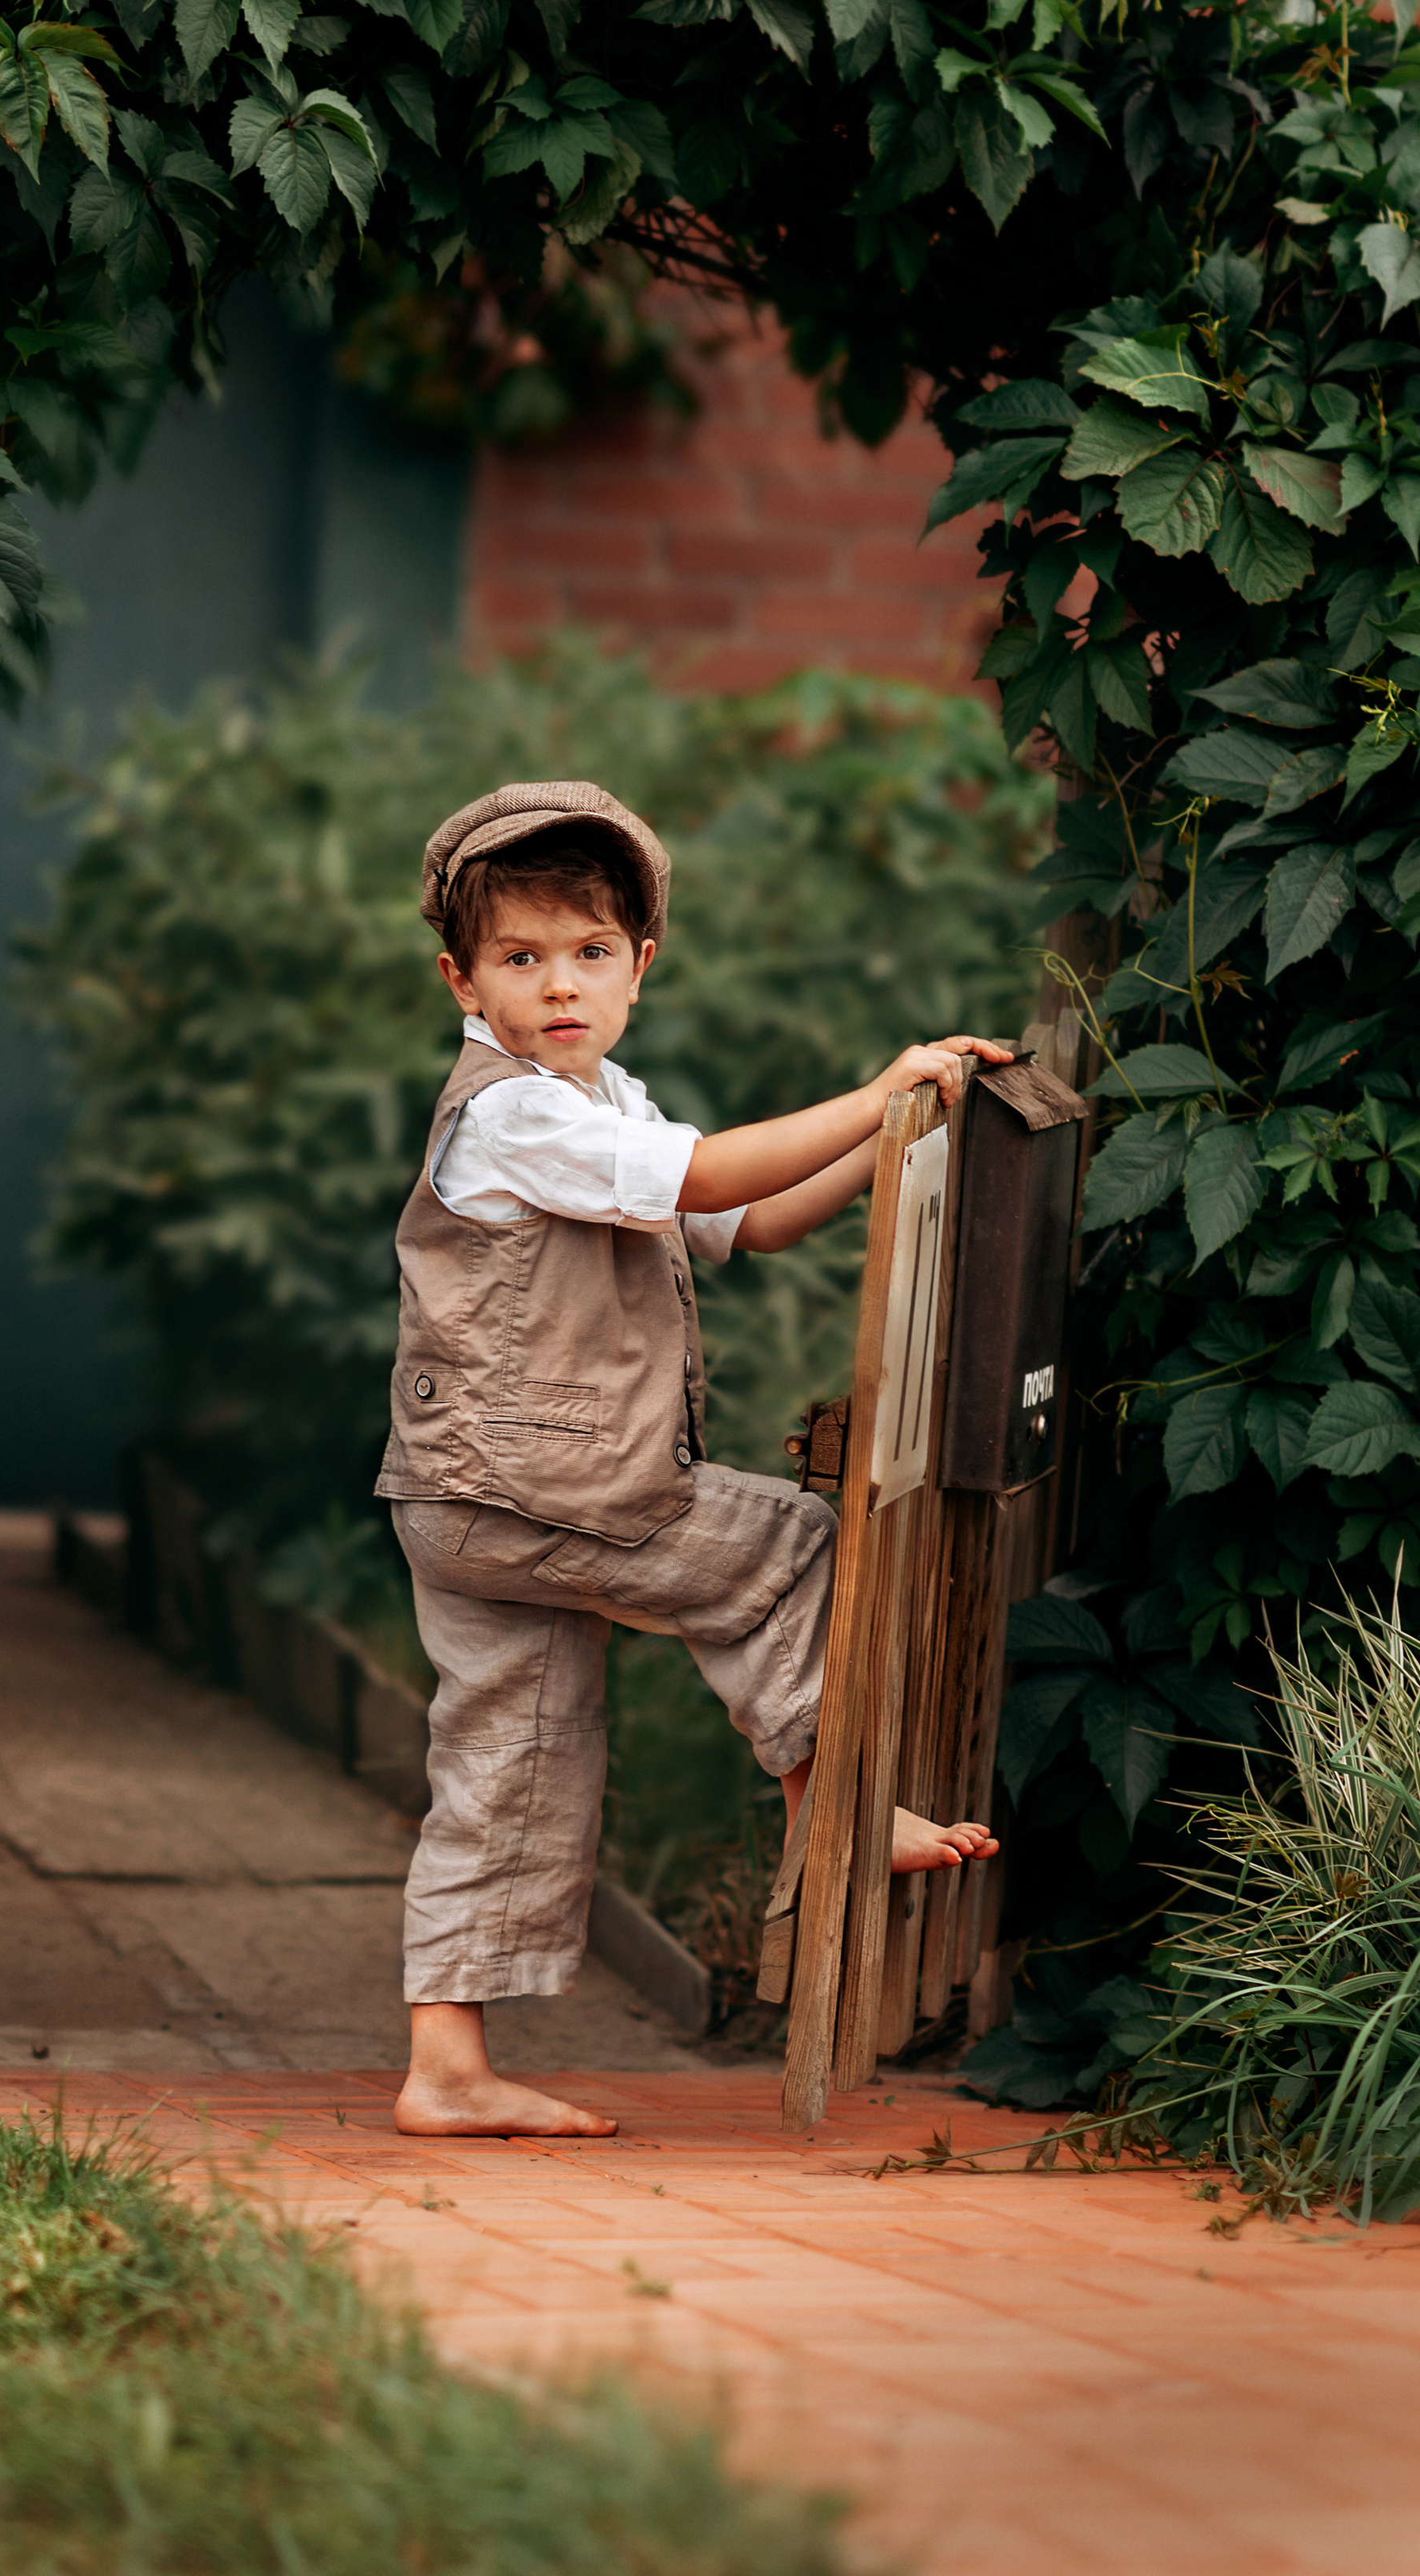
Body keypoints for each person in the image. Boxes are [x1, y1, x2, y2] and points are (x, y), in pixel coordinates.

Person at [377, 779, 1008, 2138]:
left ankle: (445, 2066)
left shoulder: (601, 1101)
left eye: (590, 954)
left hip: (468, 1496)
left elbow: (751, 1219)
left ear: (639, 965)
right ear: (462, 982)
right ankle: (827, 1806)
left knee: (507, 1757)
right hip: (530, 1484)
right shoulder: (515, 1115)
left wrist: (889, 1134)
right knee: (787, 1544)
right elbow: (710, 1178)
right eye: (521, 960)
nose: (559, 987)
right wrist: (873, 1089)